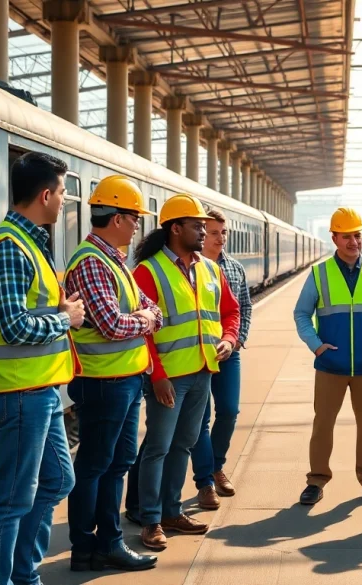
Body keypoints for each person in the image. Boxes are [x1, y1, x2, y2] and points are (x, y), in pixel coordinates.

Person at [0, 151, 80, 585]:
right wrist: (66, 318)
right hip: (18, 392)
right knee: (12, 500)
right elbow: (14, 327)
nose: (65, 199)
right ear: (45, 194)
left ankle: (24, 573)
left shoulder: (31, 244)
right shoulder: (8, 249)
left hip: (41, 390)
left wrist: (58, 309)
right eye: (63, 191)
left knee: (56, 481)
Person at [124, 194, 240, 550]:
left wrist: (230, 340)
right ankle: (151, 521)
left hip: (203, 371)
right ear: (176, 229)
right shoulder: (148, 271)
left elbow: (230, 312)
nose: (204, 232)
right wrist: (156, 375)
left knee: (184, 444)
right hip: (169, 378)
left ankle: (172, 511)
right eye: (197, 226)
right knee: (158, 447)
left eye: (205, 226)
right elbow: (142, 330)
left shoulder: (210, 269)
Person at [62, 176, 160, 572]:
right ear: (117, 218)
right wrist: (145, 319)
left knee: (116, 464)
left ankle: (107, 543)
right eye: (135, 217)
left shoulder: (113, 261)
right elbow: (111, 324)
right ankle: (87, 548)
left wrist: (142, 315)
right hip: (104, 384)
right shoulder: (91, 262)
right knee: (94, 466)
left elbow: (148, 306)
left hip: (123, 381)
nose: (138, 225)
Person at [293, 207, 362, 506]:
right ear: (334, 238)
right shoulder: (319, 273)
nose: (354, 242)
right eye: (347, 236)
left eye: (358, 235)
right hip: (329, 365)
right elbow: (301, 313)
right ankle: (316, 480)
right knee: (323, 423)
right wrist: (316, 344)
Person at [191, 209, 253, 510]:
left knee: (228, 411)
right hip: (197, 356)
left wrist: (237, 339)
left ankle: (217, 465)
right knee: (200, 420)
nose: (220, 238)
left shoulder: (235, 269)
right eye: (214, 233)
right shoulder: (191, 268)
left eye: (223, 233)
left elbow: (244, 307)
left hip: (229, 354)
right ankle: (205, 482)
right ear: (201, 234)